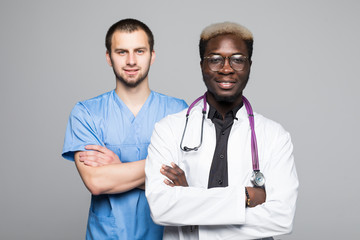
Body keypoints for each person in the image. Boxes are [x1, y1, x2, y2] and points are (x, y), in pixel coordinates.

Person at [145, 22, 299, 240]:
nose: (226, 69)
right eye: (215, 60)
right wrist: (246, 196)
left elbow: (281, 218)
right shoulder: (168, 129)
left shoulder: (275, 136)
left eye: (237, 59)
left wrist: (189, 200)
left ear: (249, 65)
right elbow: (161, 208)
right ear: (202, 65)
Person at [62, 18, 187, 240]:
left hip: (165, 234)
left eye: (139, 51)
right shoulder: (86, 113)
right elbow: (97, 182)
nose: (131, 61)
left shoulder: (178, 111)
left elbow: (188, 181)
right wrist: (160, 172)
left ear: (152, 55)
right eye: (121, 52)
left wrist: (120, 168)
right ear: (109, 57)